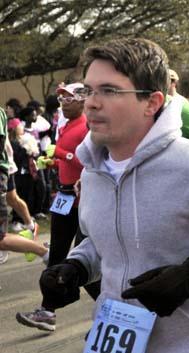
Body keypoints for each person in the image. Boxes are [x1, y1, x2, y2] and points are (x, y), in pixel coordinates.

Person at [32, 38, 189, 352]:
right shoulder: (93, 172)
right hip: (117, 341)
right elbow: (108, 239)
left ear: (152, 101)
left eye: (108, 90)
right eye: (88, 90)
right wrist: (77, 266)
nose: (91, 102)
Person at [16, 82, 100, 331]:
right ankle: (47, 311)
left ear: (83, 100)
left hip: (83, 199)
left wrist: (63, 154)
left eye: (69, 99)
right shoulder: (65, 125)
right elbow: (67, 159)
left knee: (84, 258)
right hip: (64, 199)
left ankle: (116, 308)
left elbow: (89, 160)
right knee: (58, 255)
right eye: (61, 99)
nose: (63, 103)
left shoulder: (87, 125)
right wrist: (52, 161)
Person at [0, 108, 48, 264]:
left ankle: (34, 234)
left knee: (12, 199)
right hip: (7, 168)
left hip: (6, 168)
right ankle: (31, 226)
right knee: (12, 198)